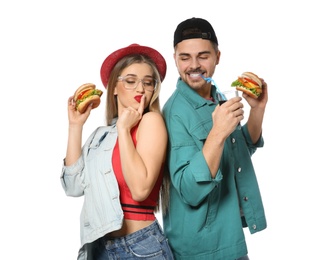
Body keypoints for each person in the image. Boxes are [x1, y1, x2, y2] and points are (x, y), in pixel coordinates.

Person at [161, 17, 268, 260]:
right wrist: (218, 132)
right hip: (201, 247)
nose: (193, 65)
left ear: (218, 57)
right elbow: (189, 189)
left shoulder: (218, 96)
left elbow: (238, 150)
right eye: (185, 57)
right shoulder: (174, 113)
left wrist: (257, 110)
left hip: (228, 236)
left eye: (203, 56)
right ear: (175, 58)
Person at [61, 43, 174, 260]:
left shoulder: (151, 122)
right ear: (113, 87)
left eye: (148, 83)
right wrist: (75, 127)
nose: (140, 89)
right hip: (99, 248)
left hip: (141, 247)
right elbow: (73, 187)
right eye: (130, 81)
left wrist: (124, 128)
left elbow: (140, 189)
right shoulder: (100, 136)